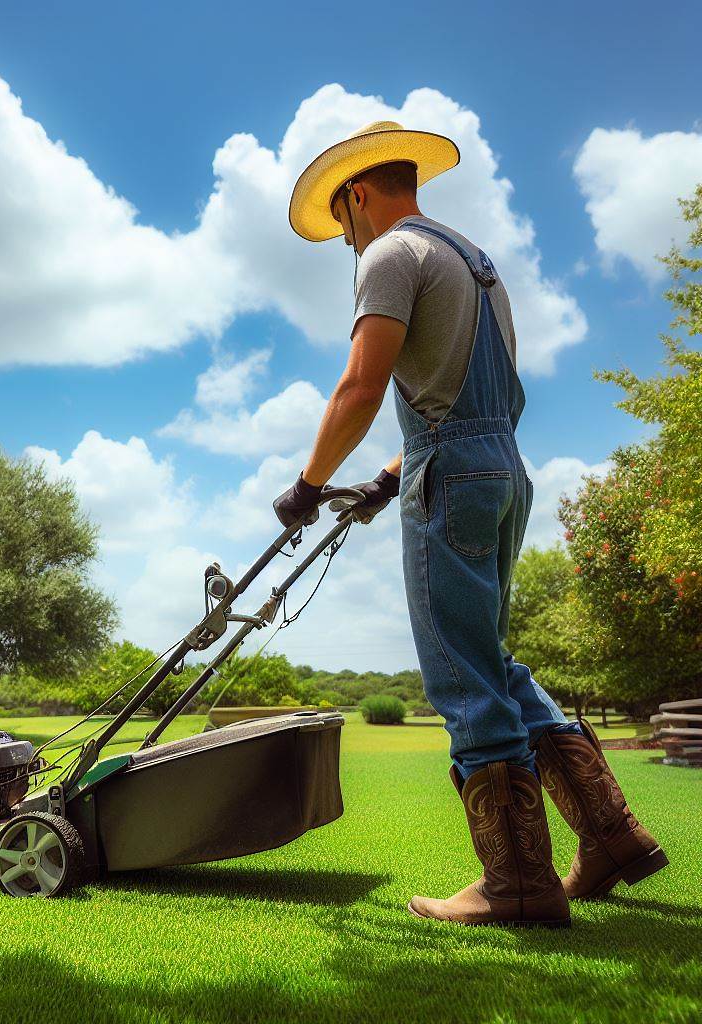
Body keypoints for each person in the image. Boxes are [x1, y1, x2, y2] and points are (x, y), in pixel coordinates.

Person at [274, 121, 667, 927]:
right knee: (491, 659)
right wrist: (386, 479)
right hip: (501, 470)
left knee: (460, 672)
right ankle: (612, 836)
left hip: (450, 475)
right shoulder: (475, 262)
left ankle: (514, 885)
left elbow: (360, 384)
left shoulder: (389, 255)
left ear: (357, 194)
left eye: (340, 219)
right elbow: (471, 397)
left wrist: (307, 485)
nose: (344, 238)